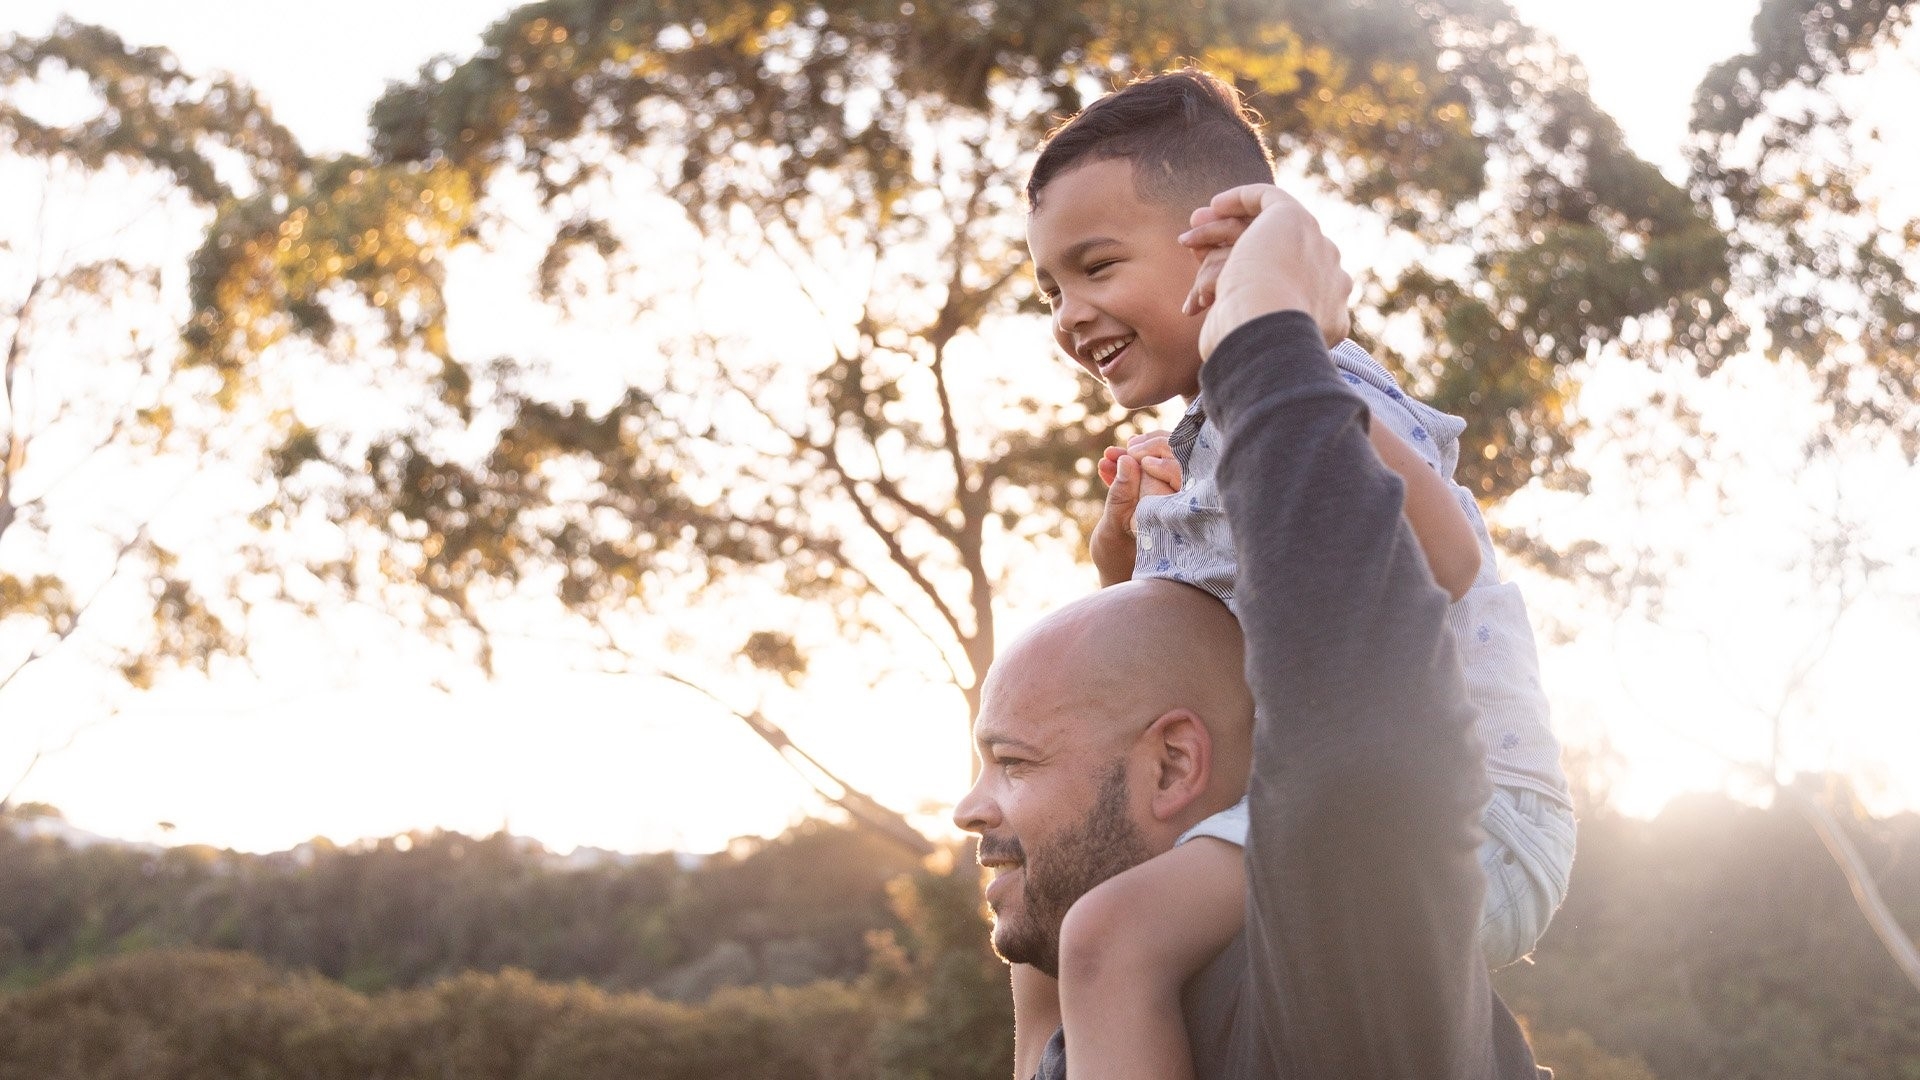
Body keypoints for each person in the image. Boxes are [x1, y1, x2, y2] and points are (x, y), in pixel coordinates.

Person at [982, 69, 1571, 1080]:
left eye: (1097, 267)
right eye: (1052, 288)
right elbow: (1160, 643)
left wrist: (1283, 369)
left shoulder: (1318, 387)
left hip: (1468, 820)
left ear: (1216, 249)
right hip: (1319, 808)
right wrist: (1123, 542)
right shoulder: (1214, 431)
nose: (1070, 316)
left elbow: (1451, 557)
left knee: (1109, 939)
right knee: (1055, 910)